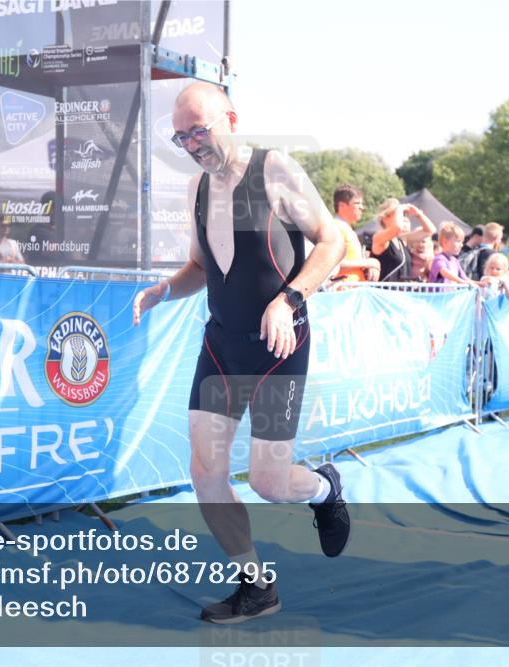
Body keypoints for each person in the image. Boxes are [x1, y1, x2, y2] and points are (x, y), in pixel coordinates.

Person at [132, 82, 349, 625]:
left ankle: (324, 488)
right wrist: (165, 289)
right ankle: (255, 584)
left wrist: (289, 298)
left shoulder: (275, 169)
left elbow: (333, 240)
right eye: (181, 136)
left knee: (271, 484)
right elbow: (201, 267)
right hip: (222, 345)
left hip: (279, 346)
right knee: (205, 470)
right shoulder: (197, 189)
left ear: (230, 117)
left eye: (199, 130)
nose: (191, 144)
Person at [370, 199, 436, 282]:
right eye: (397, 215)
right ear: (385, 219)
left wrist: (418, 214)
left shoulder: (401, 239)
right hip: (384, 292)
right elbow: (397, 228)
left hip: (401, 292)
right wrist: (400, 208)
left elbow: (430, 231)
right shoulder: (378, 238)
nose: (402, 218)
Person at [332, 184, 380, 283]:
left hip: (353, 291)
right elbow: (331, 264)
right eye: (357, 203)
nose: (362, 207)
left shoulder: (348, 229)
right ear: (342, 205)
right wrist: (367, 263)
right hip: (342, 292)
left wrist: (369, 267)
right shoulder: (336, 227)